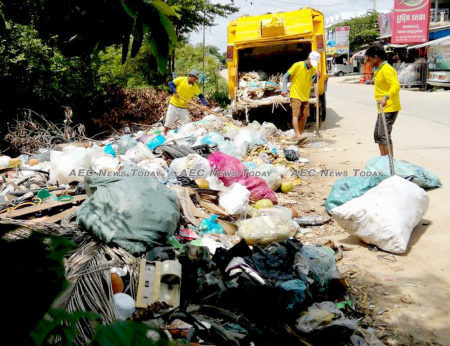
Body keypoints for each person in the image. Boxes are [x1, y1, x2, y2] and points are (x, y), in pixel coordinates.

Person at [365, 45, 401, 157]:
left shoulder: (386, 69)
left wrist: (386, 97)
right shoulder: (379, 69)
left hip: (389, 107)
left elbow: (396, 85)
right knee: (378, 135)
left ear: (376, 58)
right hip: (382, 108)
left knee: (383, 135)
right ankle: (384, 161)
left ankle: (390, 164)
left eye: (369, 59)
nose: (368, 62)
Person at [282, 51, 321, 143]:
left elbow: (312, 81)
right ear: (308, 59)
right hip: (295, 94)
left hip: (305, 96)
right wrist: (284, 89)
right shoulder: (297, 65)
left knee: (304, 116)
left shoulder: (313, 69)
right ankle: (298, 135)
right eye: (311, 63)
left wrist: (316, 76)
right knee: (296, 115)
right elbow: (285, 76)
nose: (312, 65)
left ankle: (299, 135)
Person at [164, 70, 209, 135]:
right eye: (195, 78)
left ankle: (186, 135)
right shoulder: (181, 79)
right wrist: (175, 92)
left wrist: (205, 104)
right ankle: (164, 134)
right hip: (174, 104)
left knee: (186, 123)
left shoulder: (194, 86)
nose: (196, 79)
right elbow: (170, 84)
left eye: (196, 78)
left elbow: (200, 96)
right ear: (191, 76)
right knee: (168, 121)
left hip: (183, 106)